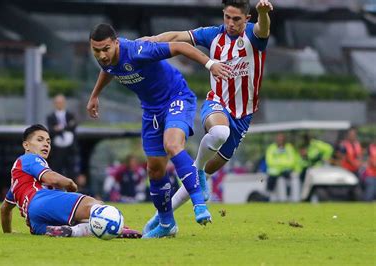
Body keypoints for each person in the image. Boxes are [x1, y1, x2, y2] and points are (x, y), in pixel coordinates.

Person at [86, 23, 228, 238]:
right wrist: (94, 95)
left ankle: (199, 203)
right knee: (154, 169)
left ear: (116, 43)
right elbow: (108, 70)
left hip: (176, 97)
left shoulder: (138, 50)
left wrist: (210, 64)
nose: (102, 55)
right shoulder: (107, 60)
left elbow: (180, 46)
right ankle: (166, 223)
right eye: (96, 51)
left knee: (172, 144)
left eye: (106, 49)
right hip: (151, 109)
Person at [140, 0, 272, 225]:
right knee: (220, 132)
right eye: (227, 17)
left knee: (209, 168)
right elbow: (178, 37)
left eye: (236, 19)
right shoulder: (213, 35)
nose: (230, 23)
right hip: (217, 103)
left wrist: (262, 13)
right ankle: (194, 178)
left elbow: (263, 28)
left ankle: (161, 218)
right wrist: (151, 41)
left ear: (247, 19)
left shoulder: (254, 35)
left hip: (244, 116)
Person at [0, 124, 141, 238]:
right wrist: (70, 183)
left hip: (35, 222)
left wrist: (8, 233)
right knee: (94, 204)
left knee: (86, 222)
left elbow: (4, 210)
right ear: (26, 145)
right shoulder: (29, 159)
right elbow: (50, 178)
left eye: (48, 141)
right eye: (40, 139)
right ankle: (120, 228)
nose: (46, 144)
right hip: (41, 202)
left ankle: (72, 231)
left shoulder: (17, 182)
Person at [46, 94, 78, 178]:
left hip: (70, 149)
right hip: (57, 149)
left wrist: (60, 127)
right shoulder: (50, 117)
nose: (59, 104)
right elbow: (51, 130)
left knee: (71, 171)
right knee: (57, 170)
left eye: (61, 102)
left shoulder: (70, 115)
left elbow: (73, 126)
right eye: (57, 102)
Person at [265, 133, 299, 201]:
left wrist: (278, 163)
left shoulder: (289, 147)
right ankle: (269, 197)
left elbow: (292, 161)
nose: (280, 140)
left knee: (289, 180)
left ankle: (289, 197)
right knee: (271, 181)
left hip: (286, 171)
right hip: (274, 172)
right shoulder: (271, 148)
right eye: (279, 139)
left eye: (281, 139)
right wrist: (282, 163)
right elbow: (269, 161)